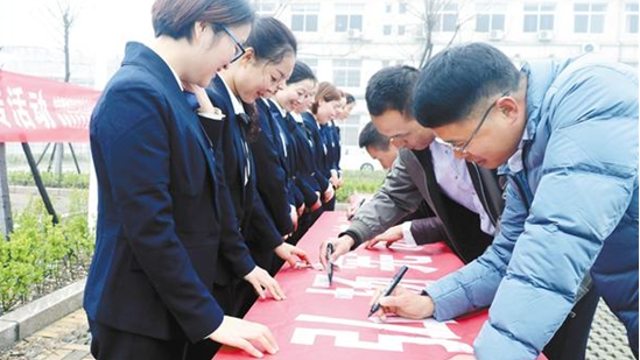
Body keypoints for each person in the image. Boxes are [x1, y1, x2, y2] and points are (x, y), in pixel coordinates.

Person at [379, 43, 638, 360]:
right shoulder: (527, 147)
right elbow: (507, 256)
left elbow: (553, 249)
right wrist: (431, 299)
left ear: (507, 109)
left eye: (461, 143)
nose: (462, 156)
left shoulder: (592, 100)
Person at [84, 1, 278, 359]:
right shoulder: (136, 93)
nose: (232, 60)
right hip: (138, 316)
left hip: (166, 306)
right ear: (203, 28)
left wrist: (207, 119)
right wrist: (211, 319)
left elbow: (204, 191)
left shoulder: (175, 92)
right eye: (235, 46)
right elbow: (149, 224)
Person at [320, 65, 503, 266]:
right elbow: (392, 196)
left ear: (424, 111)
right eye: (390, 138)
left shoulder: (481, 138)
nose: (397, 145)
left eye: (400, 135)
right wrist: (351, 236)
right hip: (478, 253)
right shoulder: (412, 154)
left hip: (514, 245)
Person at [203, 16, 309, 318]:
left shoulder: (240, 108)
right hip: (218, 263)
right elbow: (219, 194)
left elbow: (247, 192)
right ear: (247, 57)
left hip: (232, 259)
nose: (275, 89)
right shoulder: (212, 104)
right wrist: (245, 263)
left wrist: (275, 242)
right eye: (274, 77)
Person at [268, 61, 324, 242]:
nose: (304, 100)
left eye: (309, 95)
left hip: (290, 205)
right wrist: (292, 202)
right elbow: (272, 173)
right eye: (300, 93)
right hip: (275, 213)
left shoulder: (285, 119)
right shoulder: (270, 117)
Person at [305, 82, 341, 210]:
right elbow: (309, 166)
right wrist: (325, 185)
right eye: (335, 107)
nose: (335, 113)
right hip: (312, 193)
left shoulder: (319, 126)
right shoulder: (307, 125)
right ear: (320, 101)